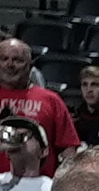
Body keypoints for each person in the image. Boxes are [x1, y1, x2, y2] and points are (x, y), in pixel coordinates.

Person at [0, 35, 82, 171]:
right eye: (4, 59)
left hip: (40, 182)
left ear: (30, 65)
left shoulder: (51, 100)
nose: (10, 65)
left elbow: (68, 147)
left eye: (17, 60)